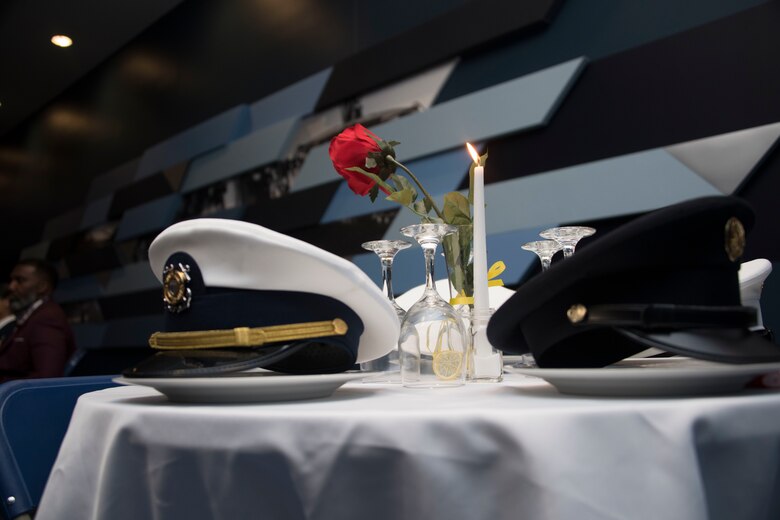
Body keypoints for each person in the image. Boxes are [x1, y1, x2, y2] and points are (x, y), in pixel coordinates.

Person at [0, 259, 75, 382]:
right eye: (12, 280)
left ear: (42, 287)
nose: (11, 287)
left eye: (20, 280)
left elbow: (47, 378)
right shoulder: (33, 317)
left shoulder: (47, 319)